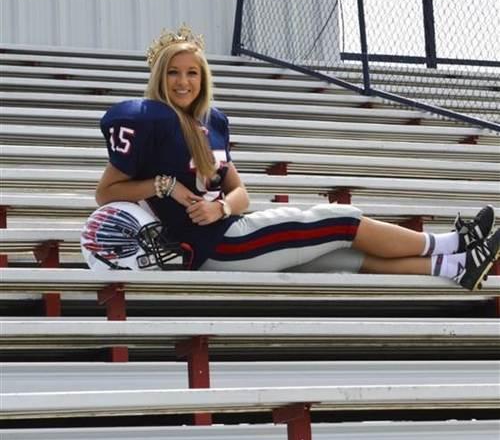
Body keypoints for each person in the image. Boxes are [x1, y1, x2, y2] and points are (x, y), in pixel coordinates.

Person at [90, 25, 499, 291]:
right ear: (160, 77)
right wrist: (164, 186)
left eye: (192, 72)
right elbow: (105, 193)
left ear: (203, 77)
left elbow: (240, 193)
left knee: (346, 257)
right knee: (340, 219)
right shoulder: (147, 119)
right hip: (213, 246)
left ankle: (456, 268)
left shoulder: (212, 122)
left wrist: (221, 208)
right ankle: (452, 241)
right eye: (174, 72)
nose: (183, 81)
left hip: (225, 229)